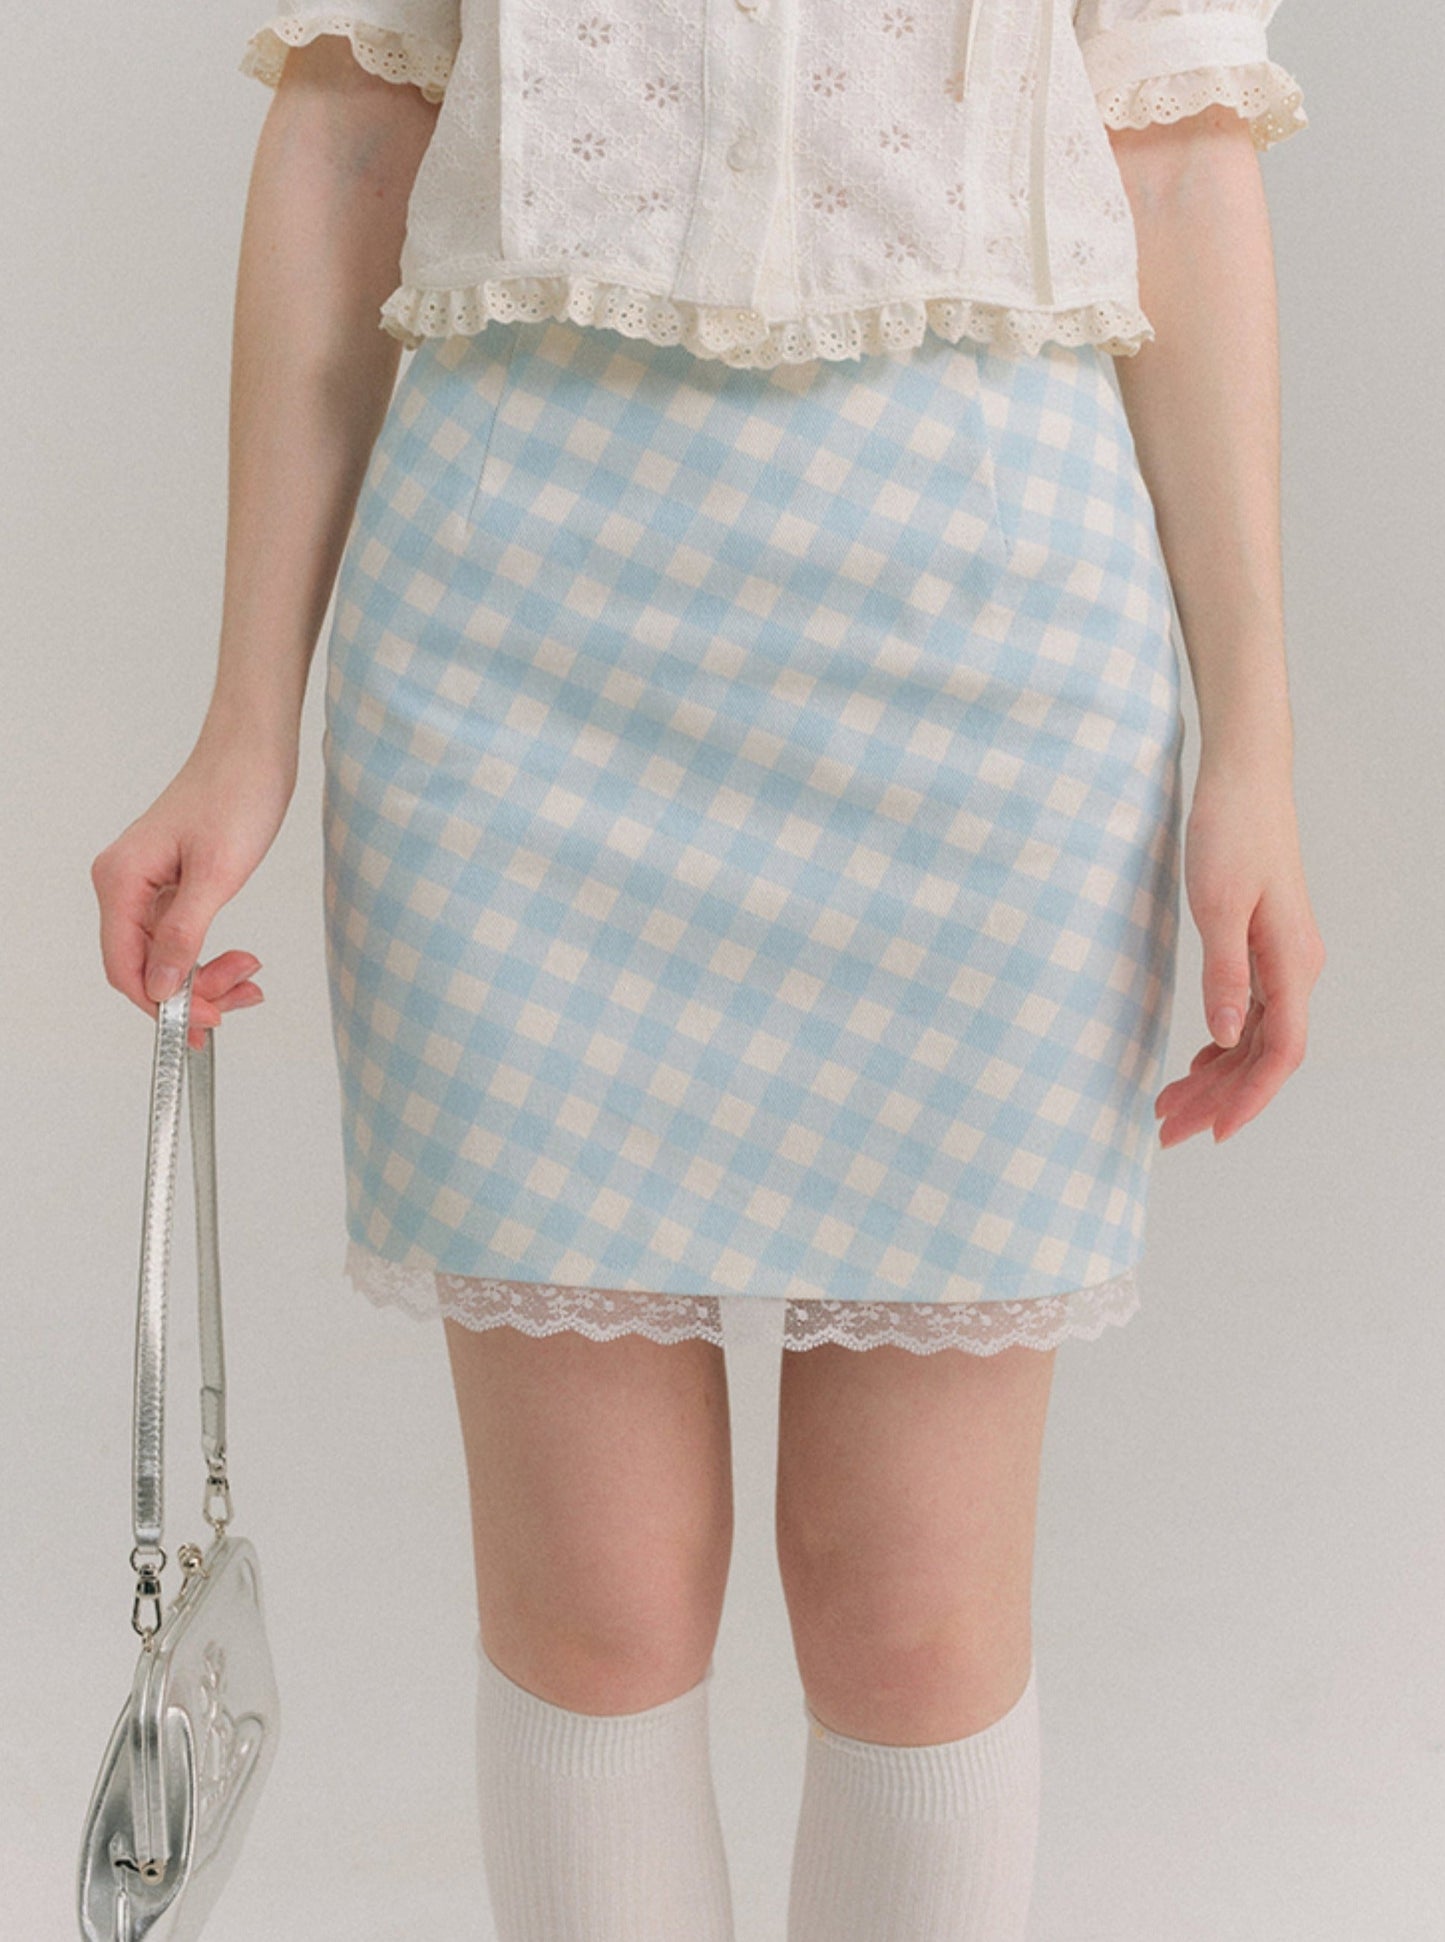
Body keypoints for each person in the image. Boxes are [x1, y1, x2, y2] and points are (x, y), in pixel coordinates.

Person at [89, 3, 1324, 1935]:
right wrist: (247, 723)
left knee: (909, 1606)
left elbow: (1173, 165)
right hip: (514, 657)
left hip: (988, 665)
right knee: (595, 1602)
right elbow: (348, 132)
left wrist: (1252, 742)